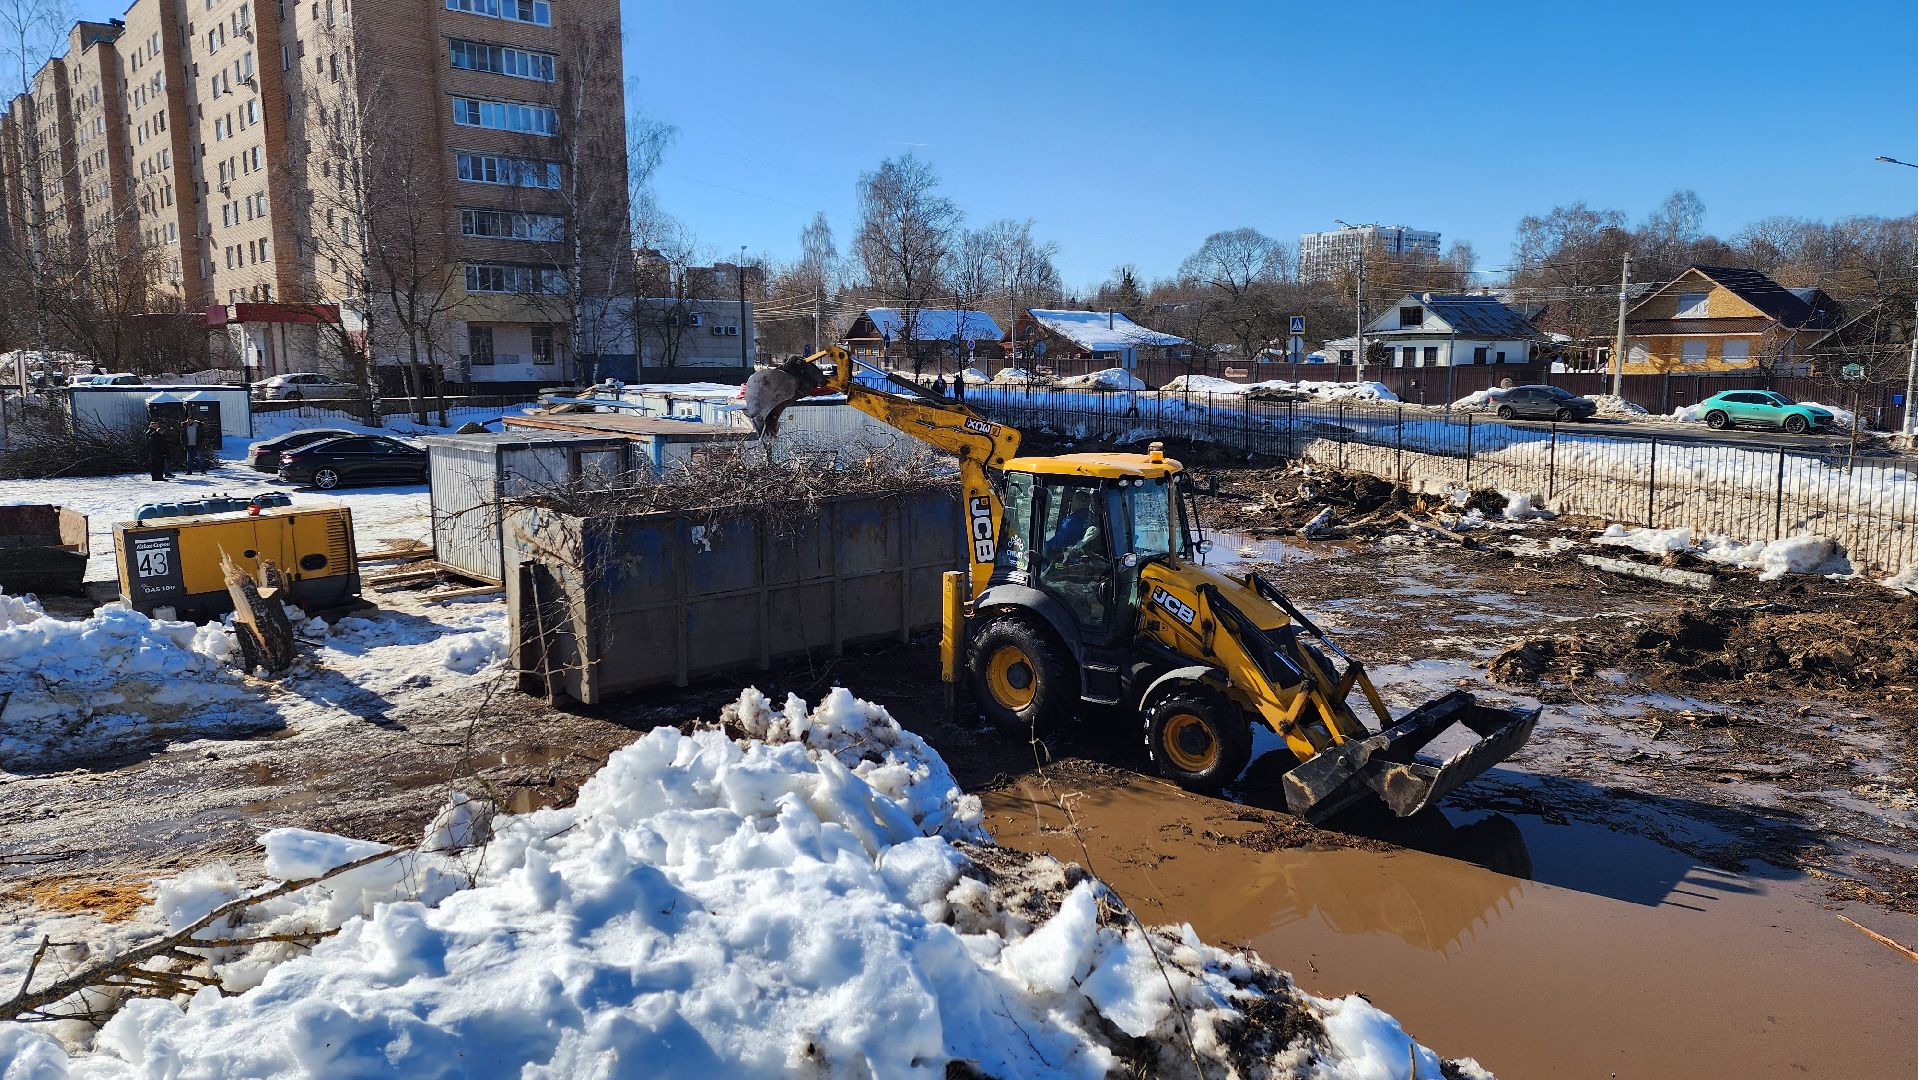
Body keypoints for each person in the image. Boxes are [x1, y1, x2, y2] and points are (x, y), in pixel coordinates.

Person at [1046, 489, 1099, 559]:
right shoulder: (1094, 517)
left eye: (1073, 500)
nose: (1071, 503)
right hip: (1089, 555)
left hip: (1072, 557)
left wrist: (1043, 546)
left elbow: (1057, 542)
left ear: (1079, 503)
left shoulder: (1069, 522)